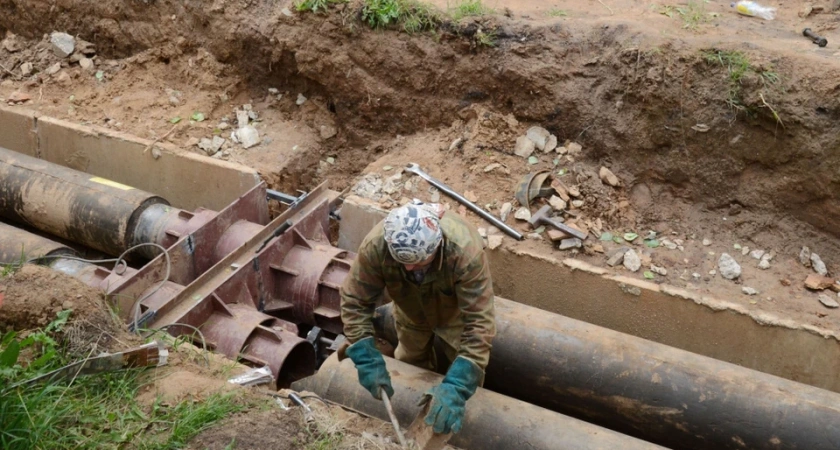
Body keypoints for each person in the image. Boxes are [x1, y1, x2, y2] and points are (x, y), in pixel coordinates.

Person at [340, 200, 496, 435]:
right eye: (404, 262)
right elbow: (355, 301)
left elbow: (479, 323)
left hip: (455, 313)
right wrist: (364, 355)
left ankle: (458, 421)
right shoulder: (377, 245)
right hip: (410, 308)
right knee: (410, 362)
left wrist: (458, 386)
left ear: (437, 246)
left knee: (465, 371)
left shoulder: (464, 251)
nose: (411, 268)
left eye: (419, 261)